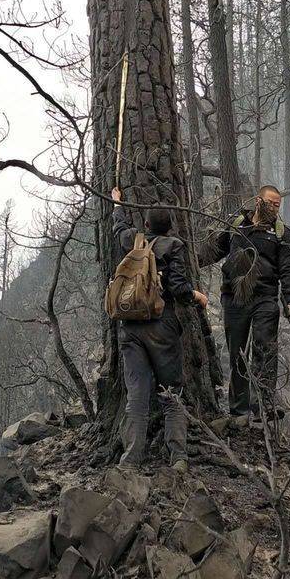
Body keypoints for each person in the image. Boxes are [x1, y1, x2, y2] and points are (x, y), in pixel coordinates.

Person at [111, 188, 208, 472]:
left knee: (137, 397)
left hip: (130, 328)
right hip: (162, 326)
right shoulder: (174, 246)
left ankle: (130, 460)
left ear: (148, 225)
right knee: (171, 393)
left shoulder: (133, 241)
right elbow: (178, 288)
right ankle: (177, 456)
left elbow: (119, 229)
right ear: (170, 227)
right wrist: (197, 296)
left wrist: (118, 203)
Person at [200, 184, 290, 425]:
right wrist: (191, 263)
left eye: (278, 205)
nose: (275, 208)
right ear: (258, 201)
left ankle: (264, 406)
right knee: (237, 352)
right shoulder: (237, 224)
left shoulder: (281, 233)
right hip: (234, 297)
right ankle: (238, 411)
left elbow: (288, 267)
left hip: (265, 297)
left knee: (265, 349)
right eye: (271, 203)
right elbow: (215, 250)